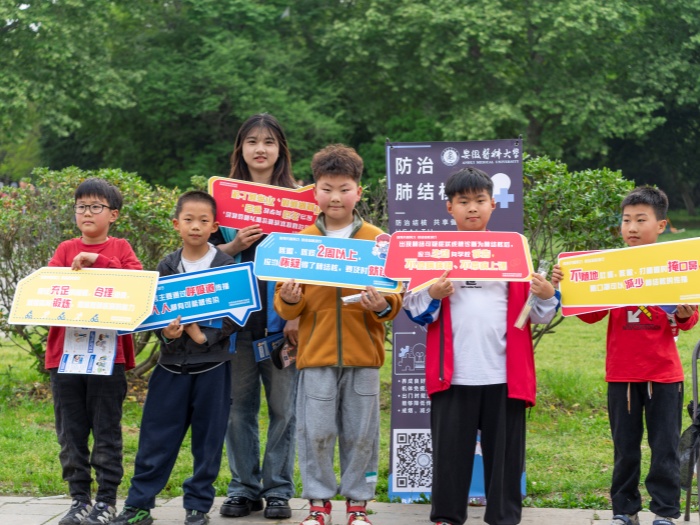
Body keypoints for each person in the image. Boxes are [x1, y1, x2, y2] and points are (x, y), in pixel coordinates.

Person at [403, 167, 560, 525]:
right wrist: (433, 293)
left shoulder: (514, 252)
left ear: (493, 204)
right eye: (463, 201)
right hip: (453, 375)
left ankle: (504, 517)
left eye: (479, 200)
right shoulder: (433, 253)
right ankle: (446, 516)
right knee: (450, 455)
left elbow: (536, 315)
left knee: (505, 458)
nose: (472, 208)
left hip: (504, 374)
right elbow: (415, 310)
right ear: (449, 207)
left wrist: (547, 295)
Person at [552, 186, 698, 525]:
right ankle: (624, 510)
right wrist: (567, 286)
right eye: (626, 220)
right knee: (625, 449)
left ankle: (664, 512)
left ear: (661, 225)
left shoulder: (674, 266)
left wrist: (683, 312)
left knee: (664, 448)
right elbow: (591, 315)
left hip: (664, 375)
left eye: (641, 220)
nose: (632, 227)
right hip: (621, 374)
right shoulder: (610, 268)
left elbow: (689, 320)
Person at [274, 144, 403, 525]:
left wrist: (380, 304)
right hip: (315, 354)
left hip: (364, 355)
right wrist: (290, 299)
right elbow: (286, 305)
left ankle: (358, 506)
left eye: (344, 189)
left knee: (361, 434)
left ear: (358, 192)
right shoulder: (300, 241)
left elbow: (394, 301)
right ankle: (318, 505)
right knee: (315, 431)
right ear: (314, 192)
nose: (335, 197)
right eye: (327, 188)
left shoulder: (378, 241)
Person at [112, 191, 237, 525]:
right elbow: (154, 311)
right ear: (176, 224)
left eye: (203, 220)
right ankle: (139, 505)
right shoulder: (166, 266)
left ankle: (198, 506)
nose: (195, 226)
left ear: (214, 227)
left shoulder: (227, 266)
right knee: (156, 437)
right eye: (188, 220)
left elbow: (237, 314)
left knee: (208, 441)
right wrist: (166, 334)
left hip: (213, 367)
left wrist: (203, 336)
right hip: (170, 366)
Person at [215, 114, 299, 520]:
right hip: (235, 326)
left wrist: (298, 315)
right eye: (252, 141)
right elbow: (199, 259)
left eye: (268, 141)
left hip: (282, 324)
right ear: (241, 148)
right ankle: (243, 488)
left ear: (281, 149)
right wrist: (232, 248)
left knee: (285, 410)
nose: (260, 149)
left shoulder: (299, 202)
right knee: (237, 410)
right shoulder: (222, 201)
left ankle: (278, 489)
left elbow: (311, 263)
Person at [47, 178, 142, 525]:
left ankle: (106, 500)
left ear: (113, 214)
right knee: (70, 432)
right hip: (65, 357)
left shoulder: (121, 249)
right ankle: (79, 500)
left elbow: (137, 287)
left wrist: (99, 261)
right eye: (81, 207)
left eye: (95, 207)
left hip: (108, 357)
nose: (87, 213)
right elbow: (48, 290)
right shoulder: (64, 250)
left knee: (106, 430)